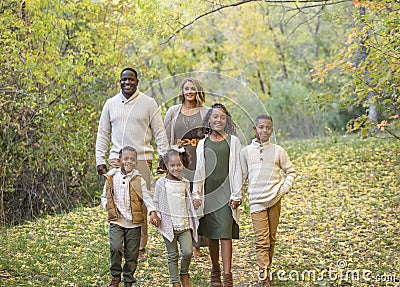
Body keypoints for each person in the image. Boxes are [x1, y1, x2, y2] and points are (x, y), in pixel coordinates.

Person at [96, 67, 169, 261]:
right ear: (119, 81)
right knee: (117, 201)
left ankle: (139, 247)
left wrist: (164, 156)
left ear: (137, 81)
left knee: (140, 203)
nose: (127, 82)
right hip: (116, 159)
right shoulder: (110, 104)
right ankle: (119, 242)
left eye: (131, 79)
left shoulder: (149, 103)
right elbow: (103, 133)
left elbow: (160, 132)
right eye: (124, 79)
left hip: (142, 159)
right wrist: (99, 160)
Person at [240, 115, 296, 287]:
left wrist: (284, 188)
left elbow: (291, 171)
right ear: (255, 129)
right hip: (256, 201)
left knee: (271, 238)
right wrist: (238, 197)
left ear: (272, 130)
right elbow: (241, 177)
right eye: (261, 127)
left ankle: (267, 269)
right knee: (261, 240)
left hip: (274, 199)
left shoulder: (278, 150)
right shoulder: (246, 152)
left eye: (268, 128)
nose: (265, 130)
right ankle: (264, 278)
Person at [192, 103, 243, 287]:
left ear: (227, 120)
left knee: (225, 233)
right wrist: (196, 193)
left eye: (222, 117)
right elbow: (199, 171)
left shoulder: (234, 142)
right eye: (215, 117)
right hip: (208, 194)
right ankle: (215, 271)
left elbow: (237, 168)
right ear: (209, 120)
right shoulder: (202, 143)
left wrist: (237, 194)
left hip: (227, 194)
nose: (218, 120)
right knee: (212, 235)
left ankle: (227, 275)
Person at [101, 146, 161, 287]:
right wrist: (108, 208)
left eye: (132, 159)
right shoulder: (111, 177)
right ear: (119, 160)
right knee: (115, 247)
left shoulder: (138, 179)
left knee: (132, 254)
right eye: (125, 158)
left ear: (136, 162)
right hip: (117, 221)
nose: (129, 162)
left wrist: (153, 212)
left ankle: (128, 279)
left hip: (134, 223)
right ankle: (116, 276)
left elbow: (146, 197)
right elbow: (104, 196)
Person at [164, 77, 209, 258]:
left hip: (199, 161)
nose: (190, 91)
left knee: (198, 202)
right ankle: (183, 241)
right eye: (186, 89)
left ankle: (198, 244)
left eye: (193, 88)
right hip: (179, 162)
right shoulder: (174, 111)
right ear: (182, 92)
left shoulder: (206, 112)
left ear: (198, 91)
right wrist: (166, 160)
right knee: (180, 203)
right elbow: (165, 136)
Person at [153, 147, 199, 287]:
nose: (176, 168)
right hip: (169, 226)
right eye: (172, 165)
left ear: (183, 163)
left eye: (179, 164)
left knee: (187, 252)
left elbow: (189, 201)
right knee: (172, 255)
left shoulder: (185, 182)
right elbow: (156, 202)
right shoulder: (162, 183)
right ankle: (175, 282)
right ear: (166, 166)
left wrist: (195, 202)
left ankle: (184, 274)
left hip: (184, 225)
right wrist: (155, 215)